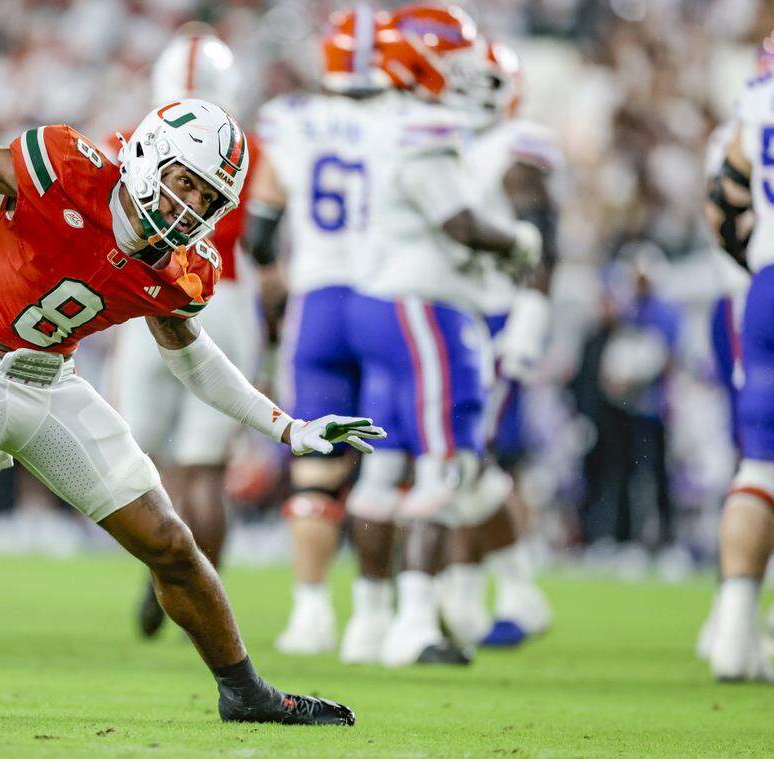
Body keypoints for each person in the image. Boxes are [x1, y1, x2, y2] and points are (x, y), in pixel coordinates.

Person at [0, 63, 383, 722]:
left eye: (208, 199)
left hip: (51, 385)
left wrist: (287, 427)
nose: (190, 207)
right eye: (185, 183)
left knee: (169, 542)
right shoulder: (65, 171)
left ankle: (245, 690)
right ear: (148, 157)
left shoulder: (173, 269)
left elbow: (193, 360)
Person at [336, 3, 542, 666]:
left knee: (384, 468)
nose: (465, 69)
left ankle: (369, 620)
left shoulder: (375, 119)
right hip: (422, 304)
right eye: (453, 56)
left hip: (375, 296)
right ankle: (414, 625)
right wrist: (518, 243)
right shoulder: (423, 126)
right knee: (445, 463)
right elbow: (460, 223)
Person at [244, 5, 392, 655]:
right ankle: (377, 615)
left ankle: (310, 613)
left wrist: (277, 290)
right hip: (389, 299)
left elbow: (260, 231)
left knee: (315, 471)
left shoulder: (294, 121)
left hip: (319, 303)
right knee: (389, 469)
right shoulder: (407, 123)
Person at [106, 28, 264, 638]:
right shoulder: (251, 151)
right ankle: (202, 599)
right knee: (203, 470)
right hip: (224, 291)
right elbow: (271, 241)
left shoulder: (138, 138)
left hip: (149, 290)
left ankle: (164, 576)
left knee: (143, 458)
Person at [706, 2, 774, 683]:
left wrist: (766, 264)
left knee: (764, 469)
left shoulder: (770, 89)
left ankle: (734, 631)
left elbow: (725, 198)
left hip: (773, 287)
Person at [441, 40, 559, 648]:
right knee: (454, 461)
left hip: (497, 316)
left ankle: (519, 592)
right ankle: (462, 595)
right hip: (457, 312)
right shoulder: (447, 141)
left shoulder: (514, 147)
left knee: (471, 457)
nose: (469, 96)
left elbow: (541, 244)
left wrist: (529, 321)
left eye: (484, 84)